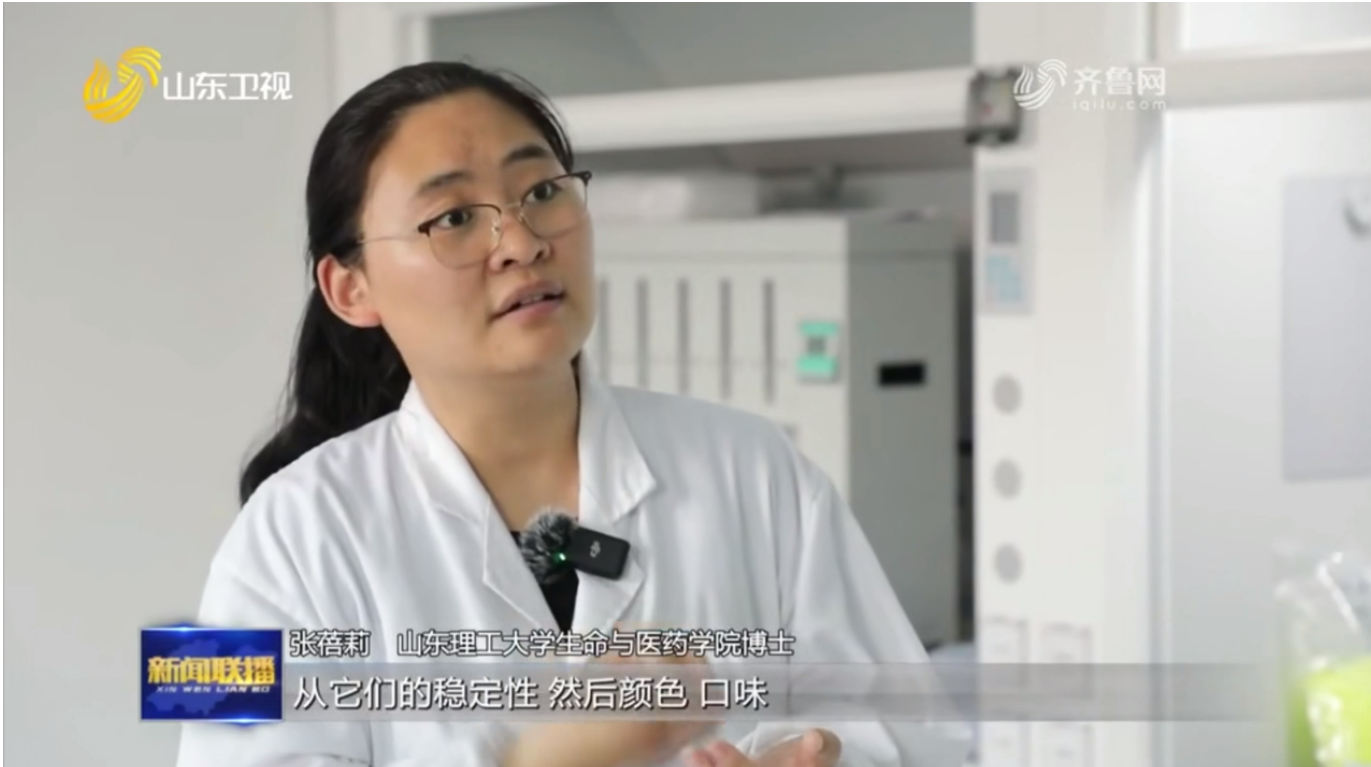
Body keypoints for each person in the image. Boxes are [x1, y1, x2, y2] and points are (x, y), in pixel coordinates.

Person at [176, 62, 970, 767]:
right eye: (453, 218)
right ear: (351, 288)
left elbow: (915, 735)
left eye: (542, 192)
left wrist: (820, 755)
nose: (520, 242)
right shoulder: (280, 535)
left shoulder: (755, 469)